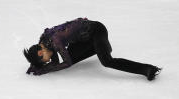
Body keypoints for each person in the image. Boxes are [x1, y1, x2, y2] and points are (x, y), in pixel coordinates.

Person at [23, 17, 161, 81]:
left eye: (44, 61)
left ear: (41, 52)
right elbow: (55, 61)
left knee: (107, 61)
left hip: (97, 30)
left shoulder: (55, 40)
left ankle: (146, 69)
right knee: (72, 55)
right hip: (84, 39)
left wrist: (44, 69)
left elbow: (66, 63)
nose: (47, 61)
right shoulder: (43, 41)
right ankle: (99, 48)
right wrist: (38, 66)